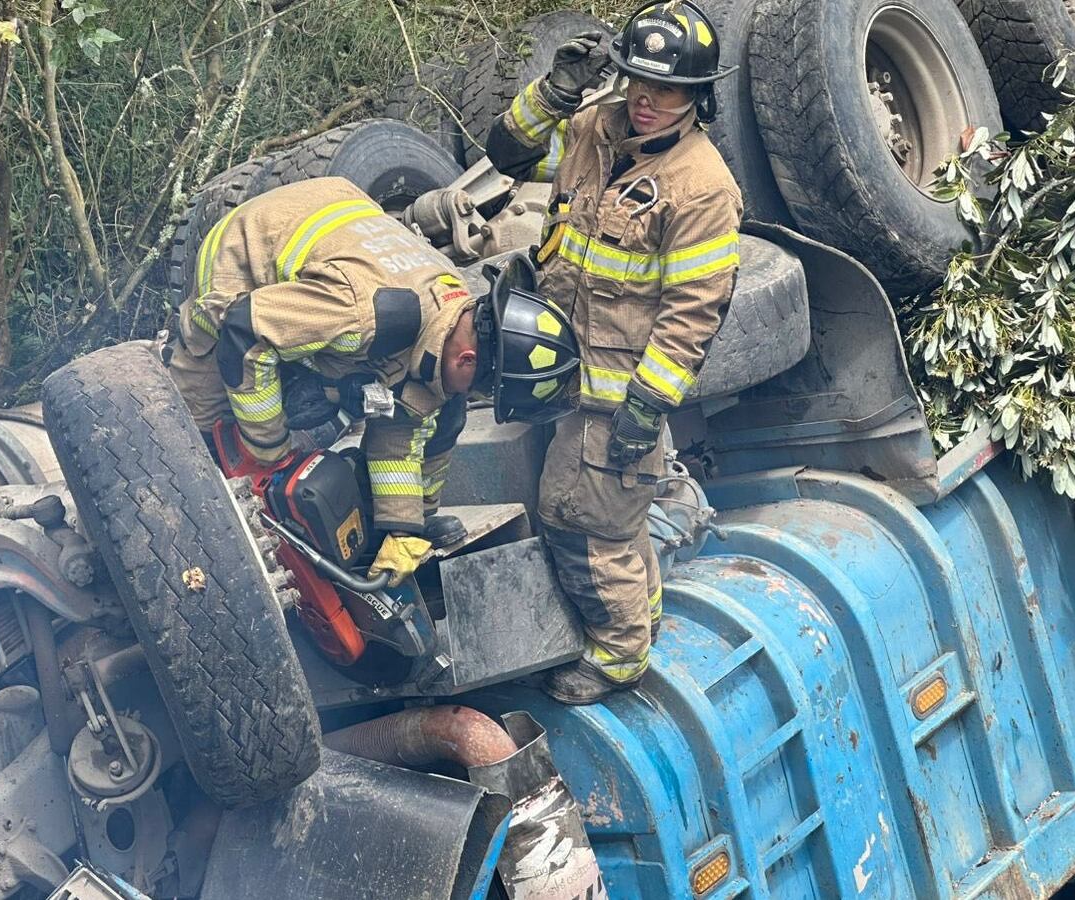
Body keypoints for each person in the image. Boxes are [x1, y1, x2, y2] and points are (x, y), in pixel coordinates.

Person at [486, 0, 744, 704]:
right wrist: (554, 92)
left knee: (583, 522)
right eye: (636, 81)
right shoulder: (596, 128)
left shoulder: (702, 189)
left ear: (697, 96)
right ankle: (643, 619)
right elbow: (504, 153)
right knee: (614, 520)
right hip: (554, 372)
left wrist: (644, 409)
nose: (647, 101)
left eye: (666, 90)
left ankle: (618, 658)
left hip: (616, 391)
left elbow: (694, 315)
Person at [164, 176, 581, 587]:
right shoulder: (361, 315)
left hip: (335, 234)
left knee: (441, 409)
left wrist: (405, 527)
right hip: (247, 254)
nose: (477, 398)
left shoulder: (455, 313)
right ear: (468, 358)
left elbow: (404, 418)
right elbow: (244, 331)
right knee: (195, 438)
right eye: (485, 390)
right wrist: (270, 457)